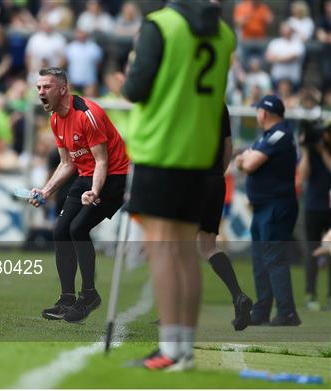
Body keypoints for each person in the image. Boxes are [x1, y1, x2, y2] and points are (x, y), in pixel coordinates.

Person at [121, 0, 235, 371]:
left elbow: (135, 89)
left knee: (163, 249)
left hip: (162, 148)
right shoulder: (223, 34)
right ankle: (183, 349)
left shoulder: (162, 25)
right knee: (186, 252)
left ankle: (169, 350)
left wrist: (132, 63)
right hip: (199, 154)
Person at [30, 67, 129, 323]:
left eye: (46, 87)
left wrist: (94, 192)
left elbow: (102, 162)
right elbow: (67, 163)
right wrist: (46, 191)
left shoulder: (88, 115)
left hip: (113, 177)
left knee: (78, 229)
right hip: (85, 175)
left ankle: (89, 295)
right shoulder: (54, 119)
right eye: (39, 87)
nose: (40, 92)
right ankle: (66, 298)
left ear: (63, 89)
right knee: (60, 231)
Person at [235, 95, 301, 327]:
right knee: (260, 260)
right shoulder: (271, 136)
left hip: (276, 206)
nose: (256, 114)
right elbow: (243, 160)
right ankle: (262, 311)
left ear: (264, 113)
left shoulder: (280, 134)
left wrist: (244, 159)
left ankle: (287, 312)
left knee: (273, 258)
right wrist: (244, 159)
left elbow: (249, 163)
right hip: (265, 206)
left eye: (258, 110)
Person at [198, 105, 253, 331]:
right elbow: (228, 146)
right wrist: (217, 175)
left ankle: (174, 313)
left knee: (176, 247)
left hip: (190, 181)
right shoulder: (219, 106)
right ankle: (238, 295)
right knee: (209, 247)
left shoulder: (184, 100)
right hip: (216, 180)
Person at [298, 121, 331, 311]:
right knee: (312, 251)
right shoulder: (310, 152)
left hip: (329, 207)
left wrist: (323, 151)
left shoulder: (326, 151)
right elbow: (303, 175)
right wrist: (307, 151)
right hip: (314, 207)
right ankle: (310, 293)